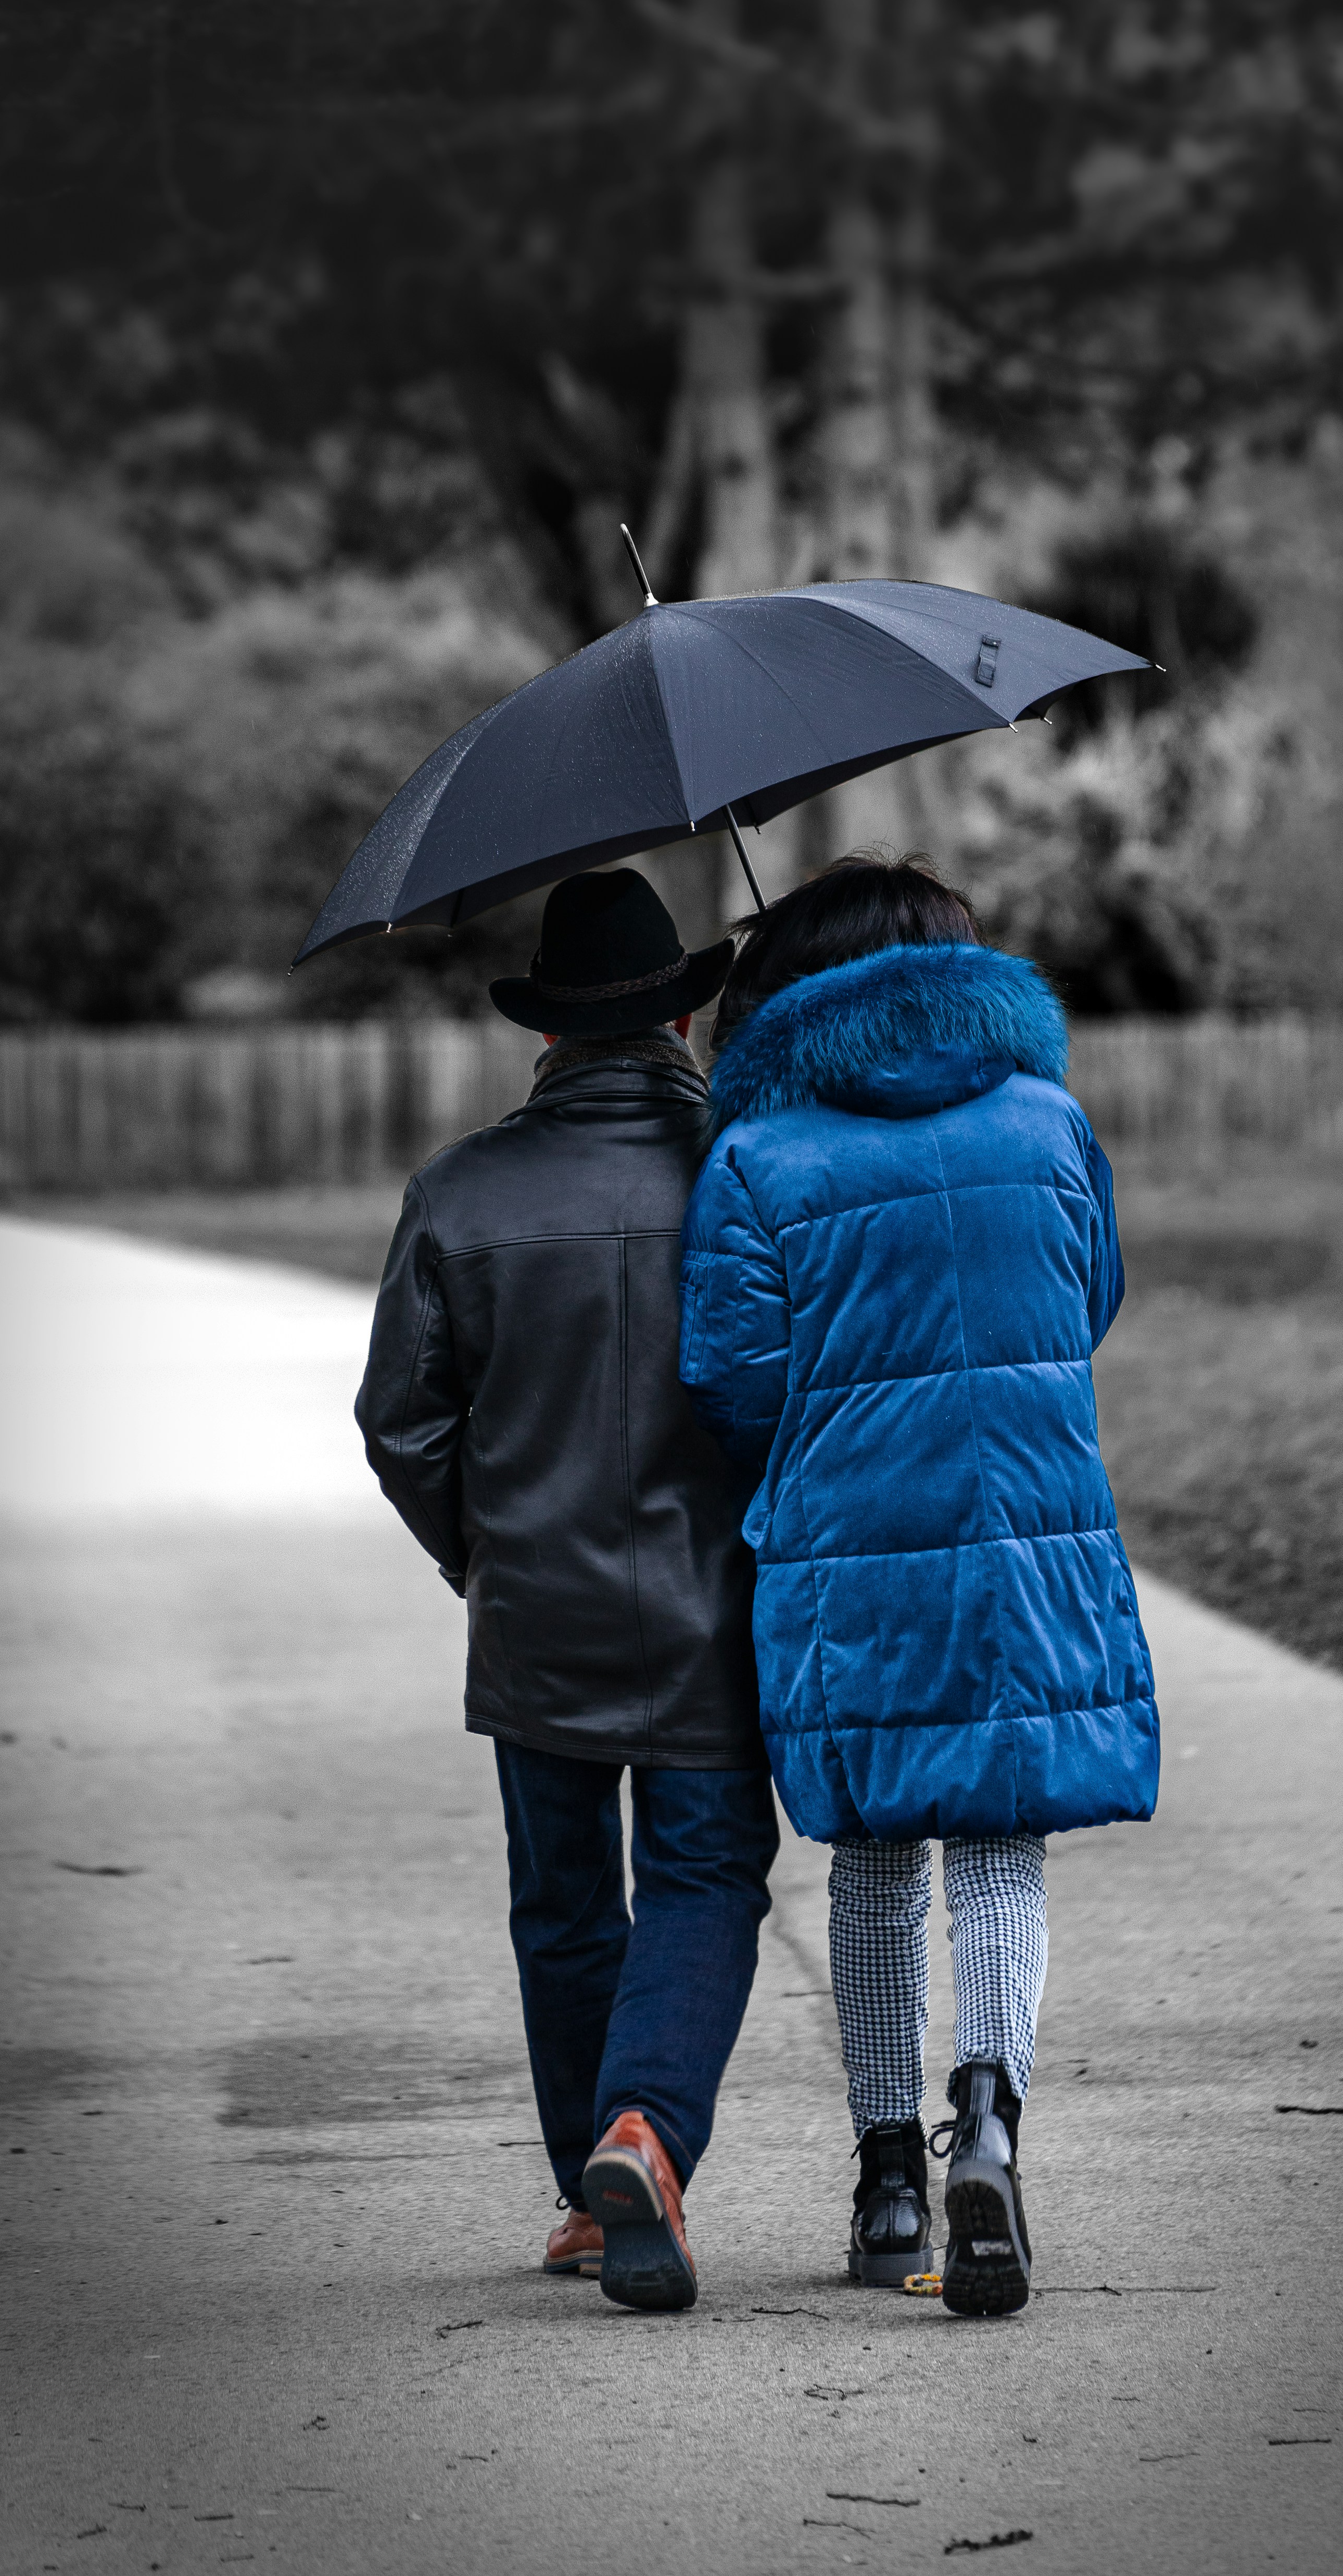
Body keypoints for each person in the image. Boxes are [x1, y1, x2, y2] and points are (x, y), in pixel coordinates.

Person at [678, 855, 1158, 2316]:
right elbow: (1091, 1298)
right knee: (1001, 1847)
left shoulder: (760, 1155)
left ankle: (890, 2174)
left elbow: (729, 1374)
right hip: (1026, 1538)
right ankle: (991, 2126)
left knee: (875, 1862)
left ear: (802, 983)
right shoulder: (1049, 1122)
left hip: (846, 1555)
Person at [356, 867, 778, 2315]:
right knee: (708, 1874)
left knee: (563, 1904)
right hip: (719, 1615)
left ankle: (591, 2198)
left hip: (534, 1614)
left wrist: (485, 1551)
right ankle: (645, 2130)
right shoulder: (749, 1167)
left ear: (545, 1037)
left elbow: (399, 1421)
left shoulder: (460, 1191)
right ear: (678, 1013)